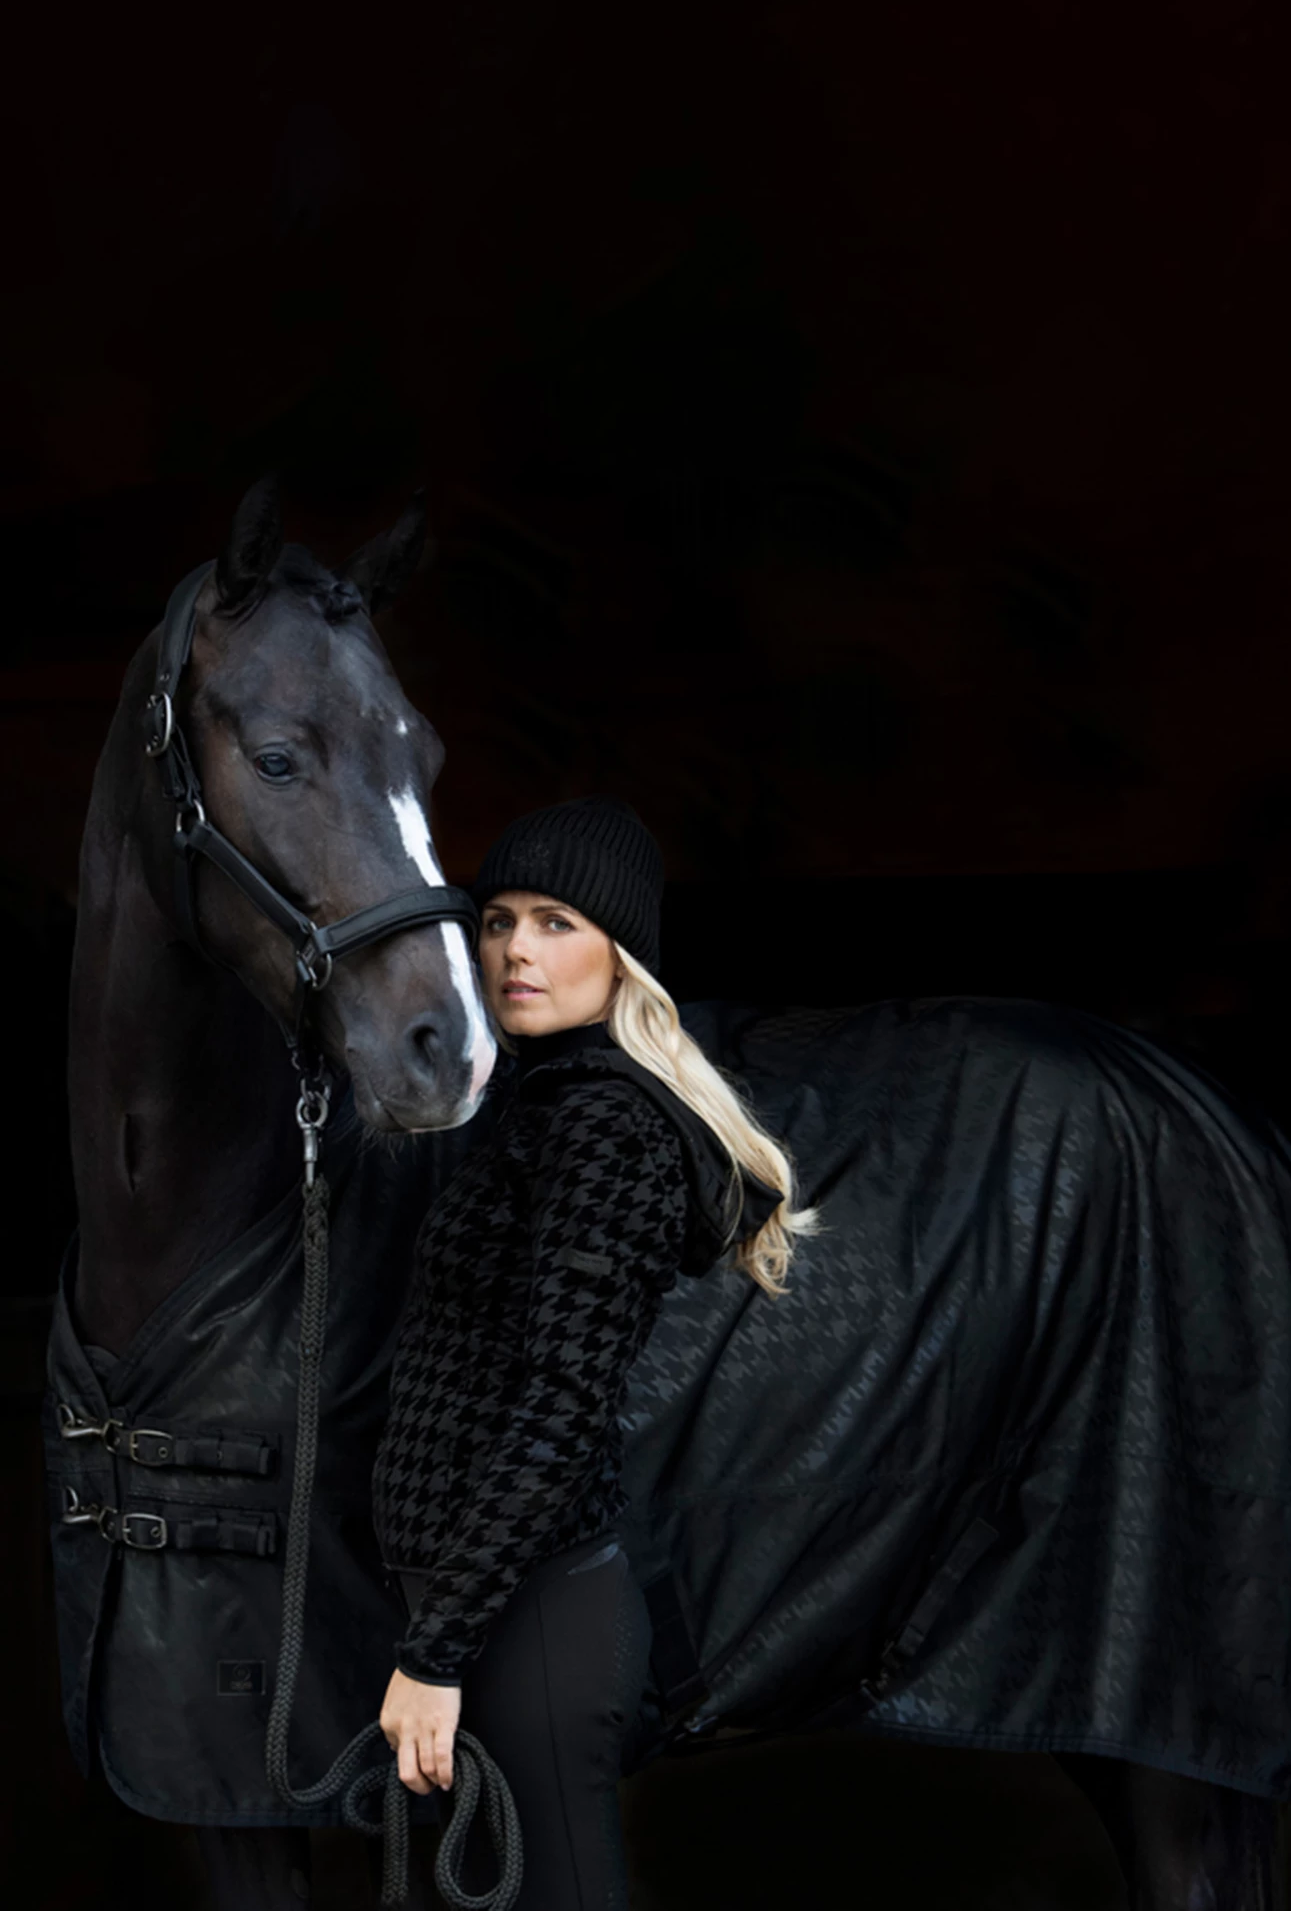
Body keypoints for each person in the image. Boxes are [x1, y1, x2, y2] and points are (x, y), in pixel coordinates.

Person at [371, 795, 816, 1911]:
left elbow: (561, 1410)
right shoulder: (534, 1108)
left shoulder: (607, 1127)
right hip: (476, 1608)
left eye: (557, 922)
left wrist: (434, 1654)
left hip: (529, 1619)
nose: (516, 950)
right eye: (499, 920)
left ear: (622, 958)